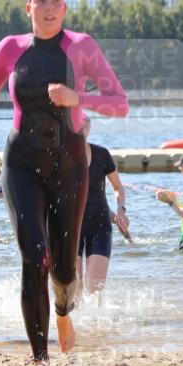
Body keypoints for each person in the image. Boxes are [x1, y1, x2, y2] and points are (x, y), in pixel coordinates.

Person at [0, 0, 129, 366]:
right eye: (40, 0)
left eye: (55, 1)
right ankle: (40, 357)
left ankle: (63, 310)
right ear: (28, 6)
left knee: (63, 269)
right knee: (34, 256)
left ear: (65, 6)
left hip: (70, 163)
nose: (47, 8)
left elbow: (119, 104)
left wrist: (78, 97)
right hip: (21, 161)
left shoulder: (82, 47)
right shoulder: (11, 48)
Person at [76, 115, 128, 298]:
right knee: (76, 285)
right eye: (80, 125)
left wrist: (121, 209)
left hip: (99, 224)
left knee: (95, 285)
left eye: (87, 126)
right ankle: (75, 323)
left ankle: (97, 326)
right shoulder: (62, 156)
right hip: (70, 227)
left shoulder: (101, 154)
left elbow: (118, 187)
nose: (83, 130)